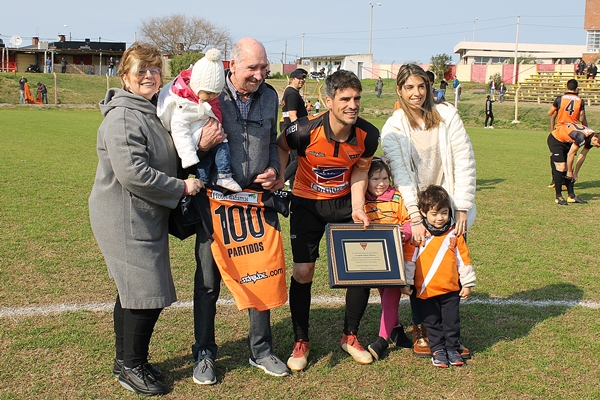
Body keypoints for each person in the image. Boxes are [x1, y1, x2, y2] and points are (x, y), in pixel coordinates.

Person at [88, 42, 204, 396]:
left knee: (133, 291)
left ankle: (127, 360)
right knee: (144, 292)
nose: (150, 76)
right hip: (124, 215)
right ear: (125, 77)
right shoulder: (124, 116)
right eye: (141, 70)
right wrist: (182, 188)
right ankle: (131, 365)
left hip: (142, 214)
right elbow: (134, 173)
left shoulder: (148, 109)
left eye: (155, 69)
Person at [191, 37, 290, 385]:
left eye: (264, 68)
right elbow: (179, 138)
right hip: (215, 203)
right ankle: (204, 352)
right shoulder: (210, 94)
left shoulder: (271, 96)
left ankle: (261, 350)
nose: (260, 75)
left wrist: (275, 171)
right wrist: (200, 146)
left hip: (257, 203)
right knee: (207, 281)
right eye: (253, 68)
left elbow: (277, 143)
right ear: (231, 66)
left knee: (261, 274)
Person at [277, 69, 380, 371]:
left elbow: (361, 168)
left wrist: (359, 205)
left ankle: (350, 336)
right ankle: (301, 341)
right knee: (304, 270)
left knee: (361, 270)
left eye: (357, 98)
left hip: (345, 206)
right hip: (307, 204)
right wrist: (280, 181)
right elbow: (282, 147)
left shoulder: (368, 135)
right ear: (329, 100)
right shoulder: (304, 130)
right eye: (345, 98)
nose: (352, 105)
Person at [381, 63, 476, 360]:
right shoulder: (394, 126)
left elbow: (464, 161)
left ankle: (450, 335)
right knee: (419, 272)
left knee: (450, 269)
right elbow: (401, 175)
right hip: (415, 209)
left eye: (421, 86)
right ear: (399, 90)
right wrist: (413, 216)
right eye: (409, 87)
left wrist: (460, 207)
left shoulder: (447, 115)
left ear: (428, 87)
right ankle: (421, 328)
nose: (416, 93)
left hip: (447, 208)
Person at [405, 185, 476, 368]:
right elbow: (410, 261)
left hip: (451, 289)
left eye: (444, 213)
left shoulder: (454, 233)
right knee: (432, 322)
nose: (440, 218)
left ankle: (452, 348)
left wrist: (467, 283)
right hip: (426, 290)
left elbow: (463, 259)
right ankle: (437, 349)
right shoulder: (419, 235)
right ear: (423, 212)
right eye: (434, 214)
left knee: (452, 321)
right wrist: (407, 282)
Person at [157, 48, 242, 192]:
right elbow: (180, 133)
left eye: (216, 94)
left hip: (207, 134)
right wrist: (189, 156)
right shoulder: (182, 106)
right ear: (196, 85)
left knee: (217, 149)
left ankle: (218, 177)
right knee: (211, 155)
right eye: (208, 93)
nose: (211, 97)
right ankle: (213, 178)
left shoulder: (203, 99)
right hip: (194, 140)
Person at [363, 158, 415, 361]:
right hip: (375, 259)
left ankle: (382, 340)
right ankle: (396, 329)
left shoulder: (397, 198)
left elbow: (408, 221)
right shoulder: (363, 201)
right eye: (375, 178)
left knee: (391, 297)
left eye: (385, 178)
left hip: (396, 257)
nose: (381, 183)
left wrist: (406, 233)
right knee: (384, 293)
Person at [547, 122, 600, 205]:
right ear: (596, 139)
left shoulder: (591, 138)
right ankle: (558, 197)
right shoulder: (581, 137)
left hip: (567, 142)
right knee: (561, 167)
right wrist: (569, 172)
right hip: (556, 139)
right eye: (598, 145)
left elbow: (582, 155)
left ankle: (571, 196)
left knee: (570, 168)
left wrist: (575, 173)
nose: (597, 147)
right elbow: (570, 154)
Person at [547, 79, 587, 188]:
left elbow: (550, 113)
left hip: (560, 131)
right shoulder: (580, 101)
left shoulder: (560, 99)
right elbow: (582, 118)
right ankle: (565, 182)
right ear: (577, 88)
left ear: (566, 86)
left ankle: (555, 180)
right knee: (570, 156)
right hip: (573, 133)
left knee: (555, 156)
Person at [280, 68, 309, 187]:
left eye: (304, 78)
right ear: (292, 79)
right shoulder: (292, 93)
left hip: (287, 127)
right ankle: (281, 181)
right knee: (298, 159)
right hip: (293, 128)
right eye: (299, 78)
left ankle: (292, 184)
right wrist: (299, 131)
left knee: (292, 158)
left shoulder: (289, 91)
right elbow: (292, 115)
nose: (302, 80)